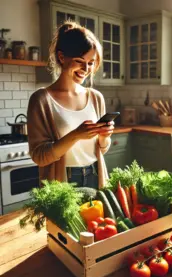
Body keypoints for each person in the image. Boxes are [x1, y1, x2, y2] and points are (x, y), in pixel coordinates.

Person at [27, 21, 114, 189]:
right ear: (61, 57)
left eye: (91, 62)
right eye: (79, 61)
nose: (86, 68)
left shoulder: (96, 97)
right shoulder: (41, 100)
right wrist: (75, 135)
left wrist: (104, 137)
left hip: (95, 175)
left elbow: (101, 150)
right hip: (63, 182)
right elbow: (39, 156)